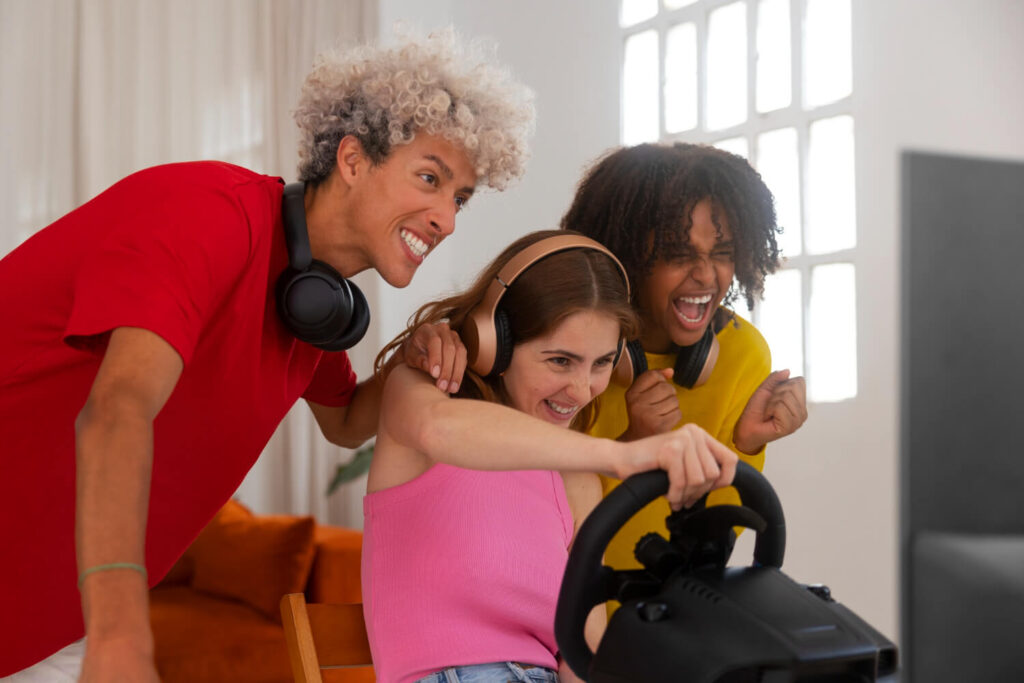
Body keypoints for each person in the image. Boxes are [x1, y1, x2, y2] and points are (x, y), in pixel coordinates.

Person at [0, 30, 534, 681]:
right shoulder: (207, 216)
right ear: (353, 159)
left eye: (460, 199)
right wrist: (120, 631)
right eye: (430, 178)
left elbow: (345, 421)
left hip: (48, 620)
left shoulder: (309, 306)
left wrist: (412, 357)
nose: (446, 219)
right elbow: (116, 409)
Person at [362, 229, 740, 683]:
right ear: (495, 343)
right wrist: (622, 456)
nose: (581, 390)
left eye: (601, 363)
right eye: (560, 361)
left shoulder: (575, 478)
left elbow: (586, 646)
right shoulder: (421, 396)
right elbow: (439, 427)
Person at [560, 142, 808, 574]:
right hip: (572, 611)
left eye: (723, 253)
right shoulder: (570, 350)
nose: (707, 276)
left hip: (671, 616)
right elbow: (541, 516)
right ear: (626, 255)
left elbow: (716, 539)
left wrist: (745, 446)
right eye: (678, 254)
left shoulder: (742, 352)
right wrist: (628, 447)